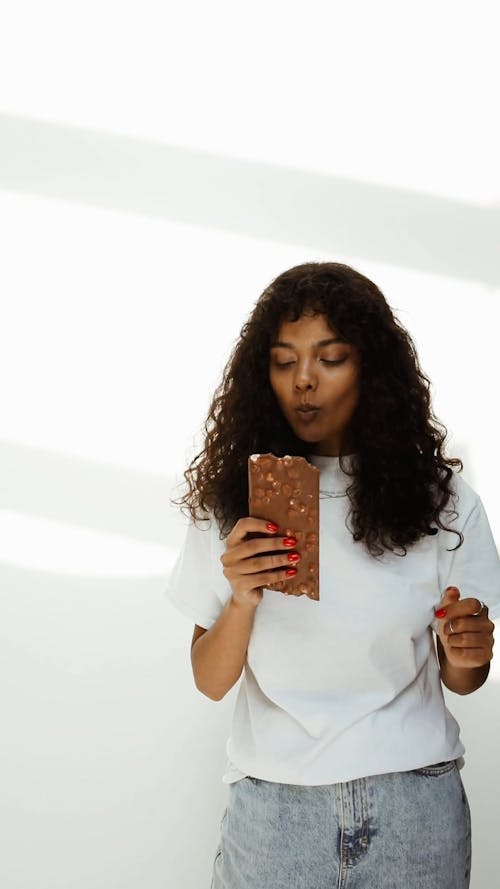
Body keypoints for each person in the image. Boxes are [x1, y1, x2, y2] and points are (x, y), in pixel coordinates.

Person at [165, 262, 499, 889]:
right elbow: (210, 681)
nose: (305, 382)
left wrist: (466, 650)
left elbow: (465, 678)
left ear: (371, 368)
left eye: (331, 358)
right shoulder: (234, 502)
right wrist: (241, 599)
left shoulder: (441, 501)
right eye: (284, 361)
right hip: (275, 811)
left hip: (413, 804)